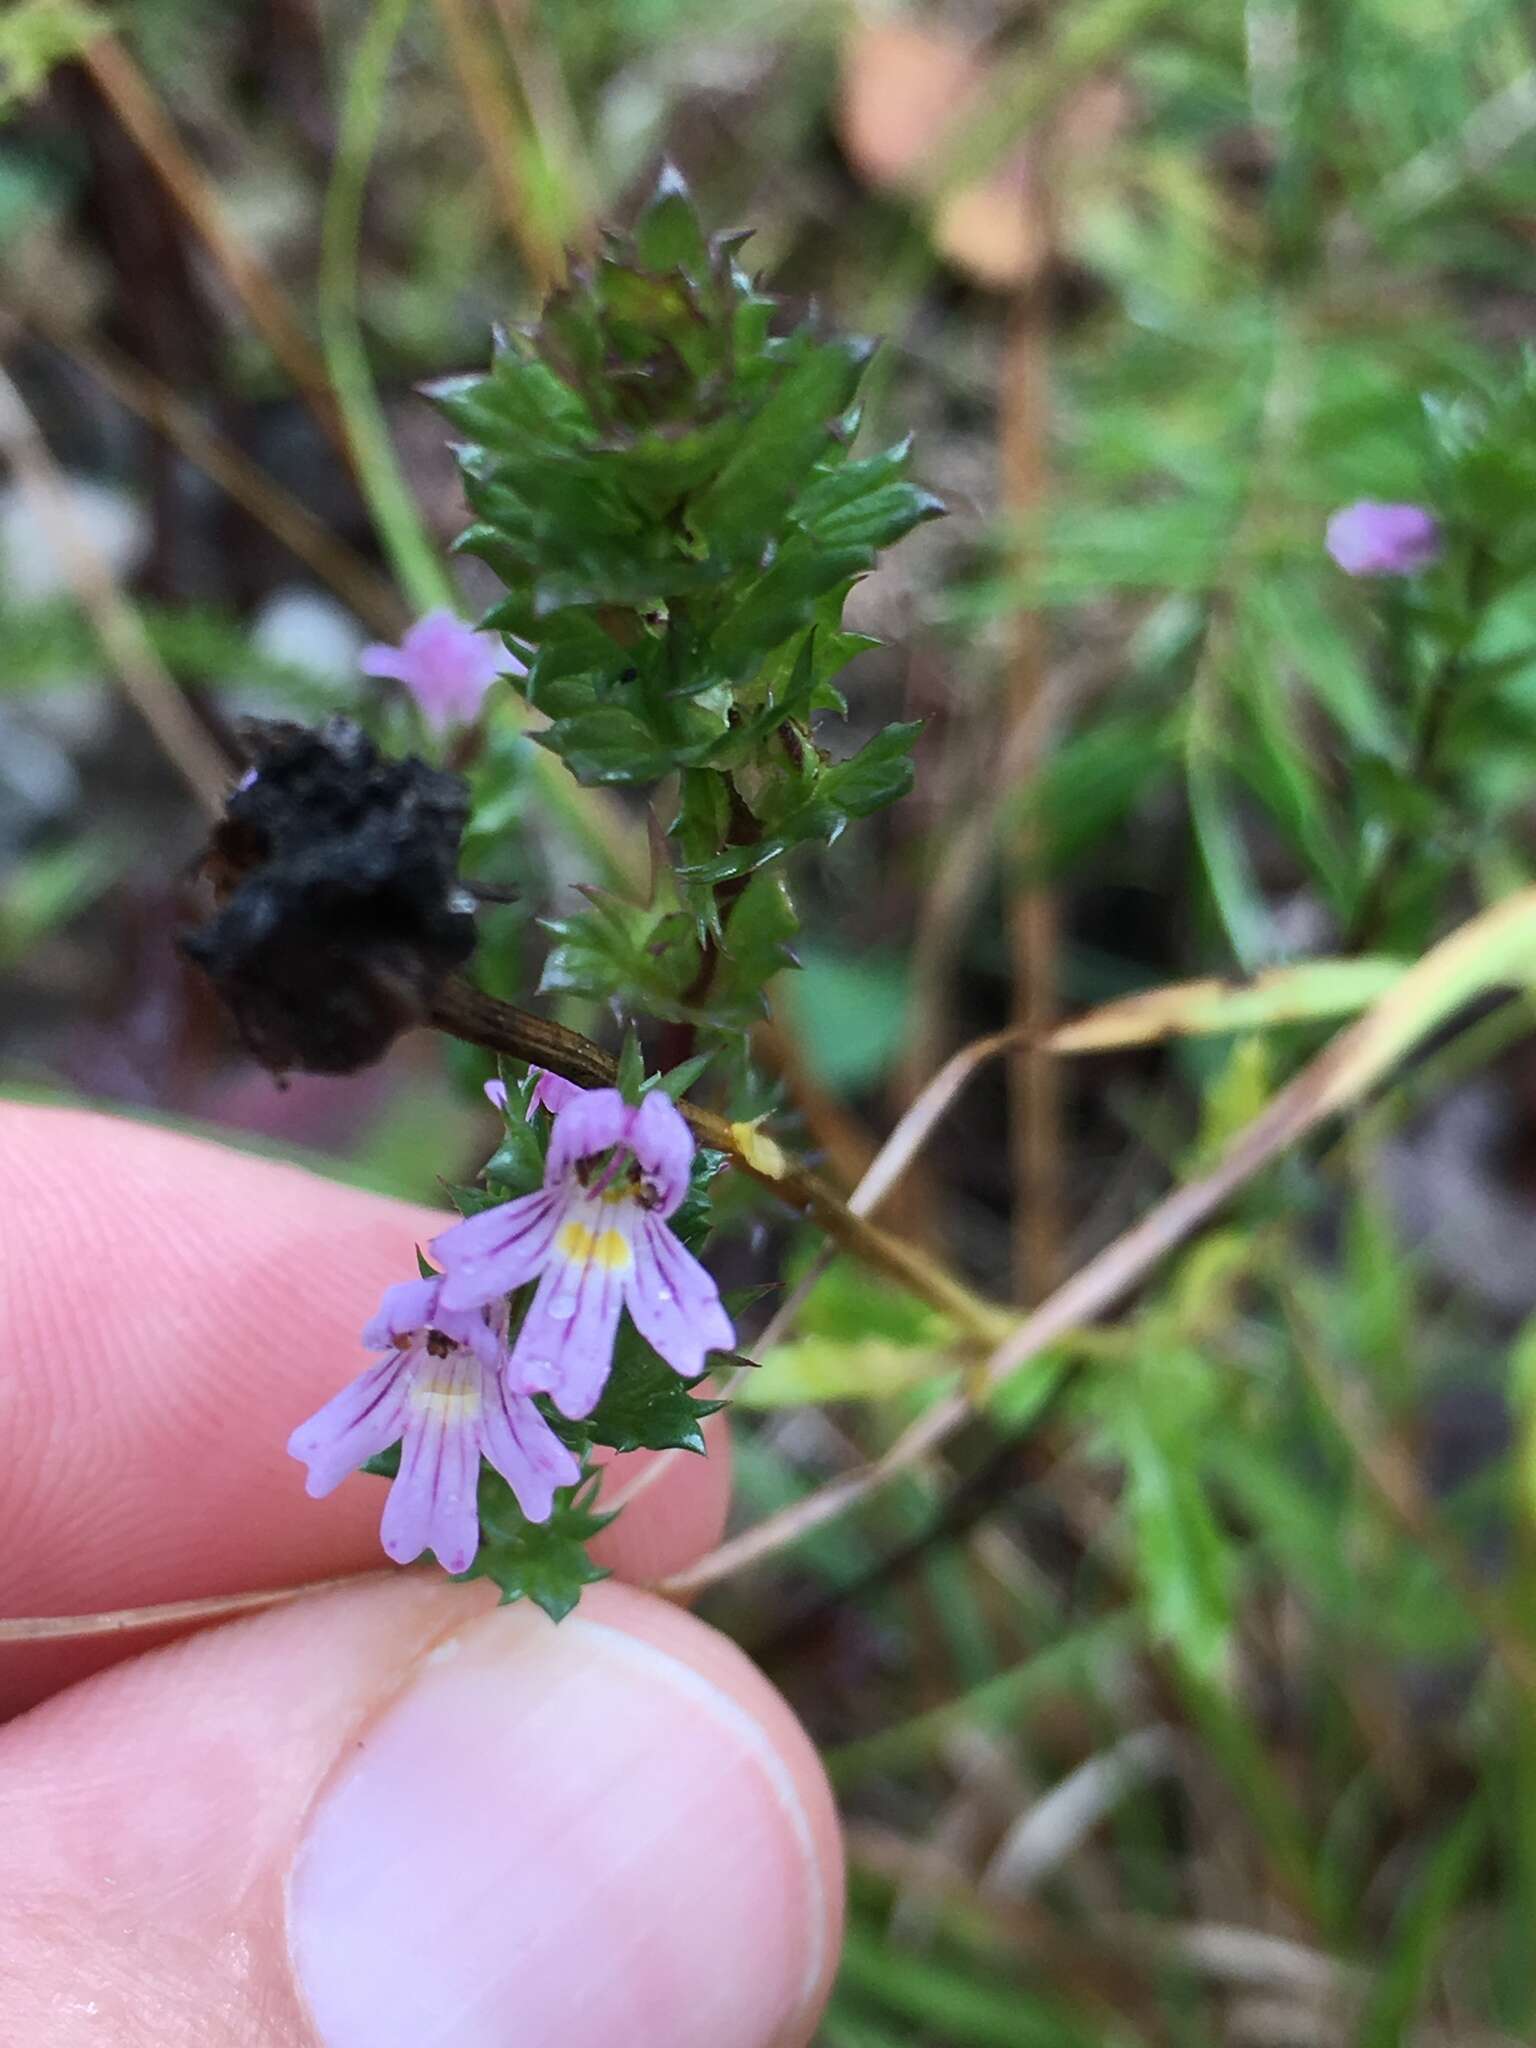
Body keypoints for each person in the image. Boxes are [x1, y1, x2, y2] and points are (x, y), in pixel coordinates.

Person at [0, 1104, 841, 2047]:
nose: (608, 1187)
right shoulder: (479, 1294)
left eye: (633, 1182)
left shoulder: (578, 1237)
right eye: (590, 1169)